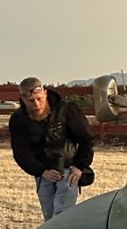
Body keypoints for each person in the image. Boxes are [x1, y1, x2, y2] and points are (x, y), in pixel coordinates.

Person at [9, 77, 95, 220]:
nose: (37, 104)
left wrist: (80, 166)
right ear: (23, 99)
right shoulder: (18, 120)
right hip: (44, 173)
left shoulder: (66, 110)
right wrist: (40, 171)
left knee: (62, 217)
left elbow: (87, 139)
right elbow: (21, 152)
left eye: (39, 99)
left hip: (69, 170)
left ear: (45, 93)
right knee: (49, 218)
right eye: (31, 101)